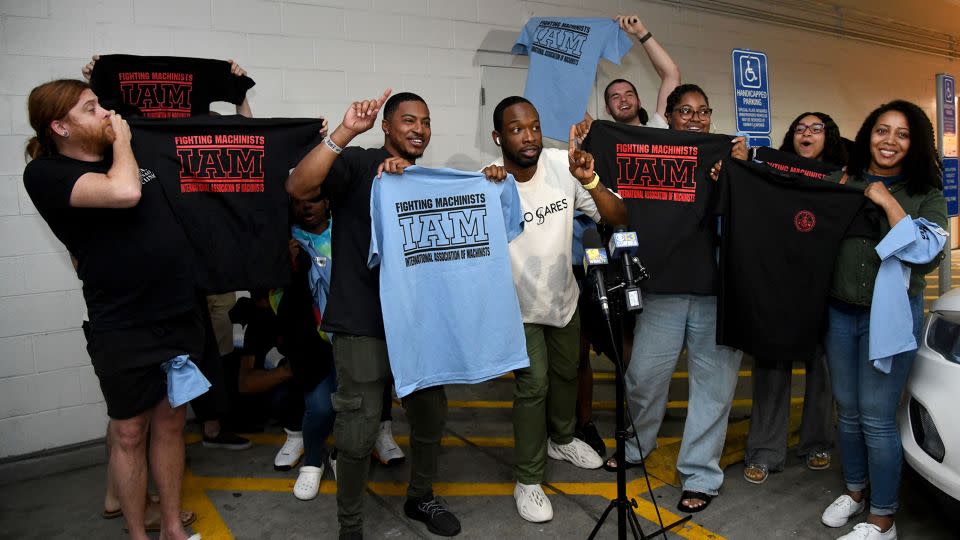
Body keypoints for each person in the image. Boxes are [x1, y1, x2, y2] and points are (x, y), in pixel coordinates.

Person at [288, 89, 501, 538]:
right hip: (362, 323)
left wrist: (493, 182)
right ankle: (350, 526)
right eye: (408, 120)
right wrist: (346, 132)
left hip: (421, 326)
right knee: (357, 430)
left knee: (429, 417)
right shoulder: (360, 164)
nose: (418, 129)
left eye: (424, 121)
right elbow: (299, 187)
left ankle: (420, 496)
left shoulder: (427, 179)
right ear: (387, 126)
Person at [23, 79, 201, 540]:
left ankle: (170, 526)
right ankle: (137, 534)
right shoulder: (46, 173)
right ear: (59, 127)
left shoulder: (130, 156)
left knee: (171, 421)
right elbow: (124, 193)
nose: (105, 113)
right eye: (90, 108)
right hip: (122, 323)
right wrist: (123, 140)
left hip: (176, 311)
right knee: (128, 432)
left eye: (100, 104)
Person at [606, 84, 746, 515]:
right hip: (663, 291)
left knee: (714, 390)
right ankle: (635, 446)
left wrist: (742, 174)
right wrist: (591, 135)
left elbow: (756, 217)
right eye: (685, 111)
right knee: (644, 377)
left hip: (721, 295)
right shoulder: (648, 152)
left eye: (703, 111)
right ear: (667, 117)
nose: (695, 119)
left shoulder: (730, 158)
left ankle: (701, 475)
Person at [490, 96, 627, 523]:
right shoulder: (487, 183)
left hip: (563, 298)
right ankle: (528, 480)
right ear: (498, 137)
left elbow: (618, 216)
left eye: (533, 126)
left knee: (568, 372)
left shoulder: (561, 164)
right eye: (516, 129)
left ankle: (562, 438)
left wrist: (589, 181)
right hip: (518, 307)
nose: (528, 136)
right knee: (534, 387)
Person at [820, 100, 946, 540]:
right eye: (881, 130)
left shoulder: (924, 193)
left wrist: (887, 200)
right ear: (868, 133)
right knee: (848, 413)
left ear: (915, 144)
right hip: (839, 311)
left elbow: (925, 255)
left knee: (876, 417)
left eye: (902, 134)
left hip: (889, 318)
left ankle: (883, 518)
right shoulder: (844, 179)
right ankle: (855, 492)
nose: (889, 140)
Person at [743, 112, 847, 485]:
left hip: (823, 285)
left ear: (829, 137)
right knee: (772, 368)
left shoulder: (842, 176)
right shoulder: (773, 171)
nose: (807, 133)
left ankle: (817, 441)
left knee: (822, 370)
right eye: (800, 127)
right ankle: (764, 451)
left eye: (816, 128)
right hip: (778, 282)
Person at [577, 14, 680, 136]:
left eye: (629, 94)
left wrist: (641, 32)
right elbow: (574, 107)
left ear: (639, 102)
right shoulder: (602, 138)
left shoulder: (656, 129)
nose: (623, 100)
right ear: (608, 109)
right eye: (615, 97)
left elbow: (671, 75)